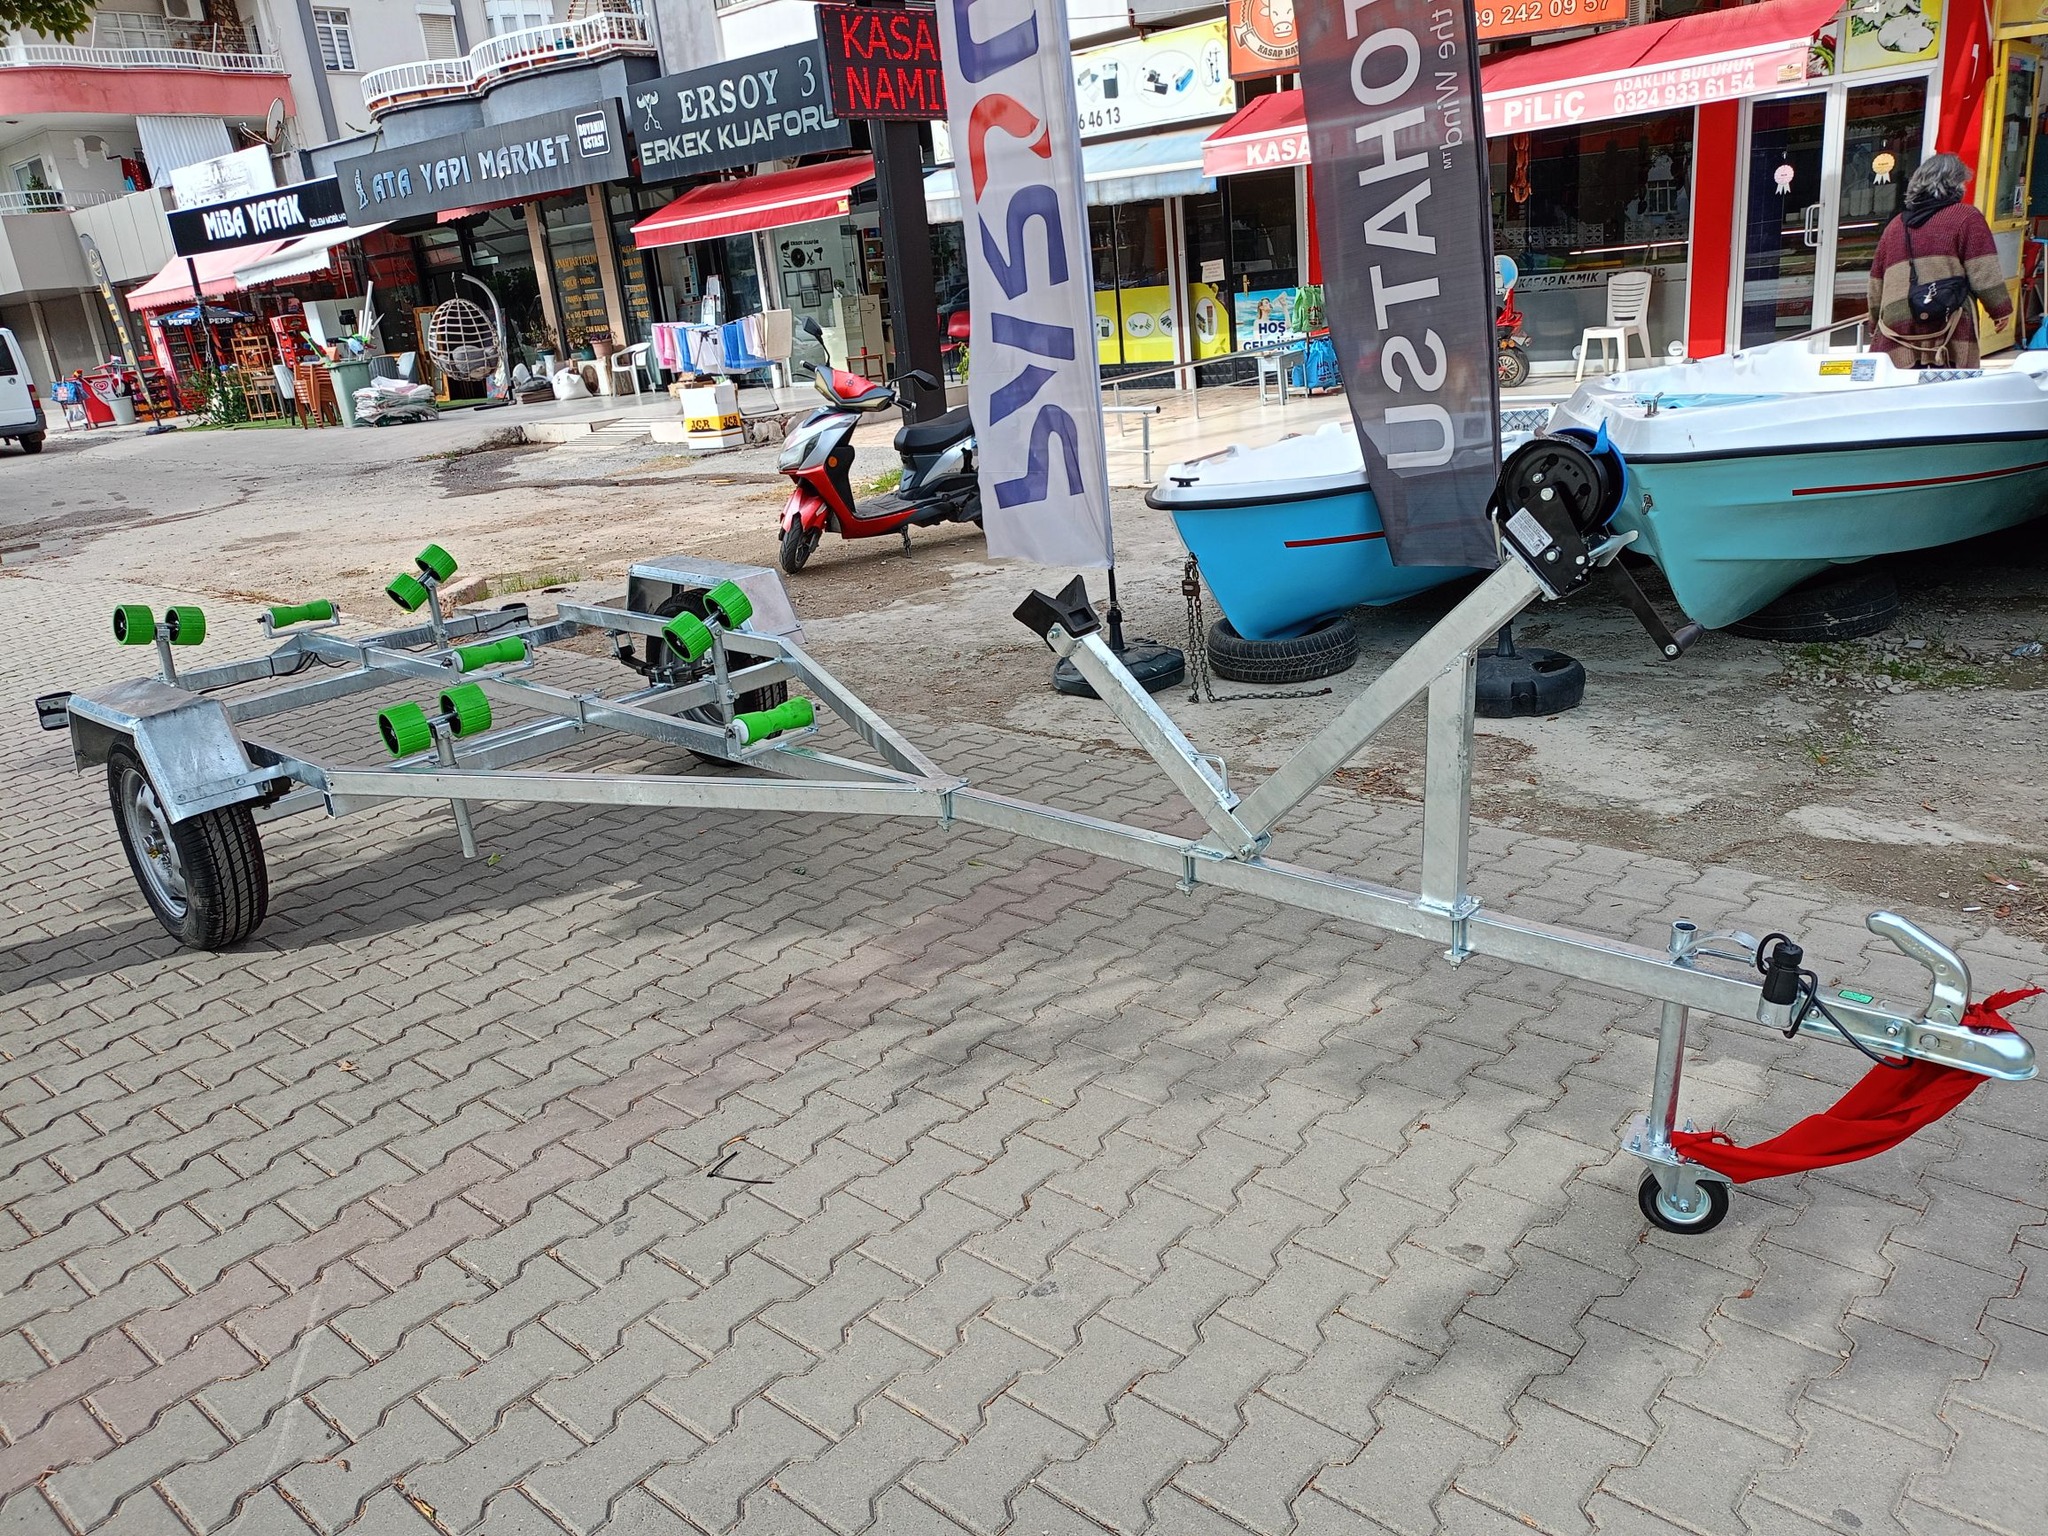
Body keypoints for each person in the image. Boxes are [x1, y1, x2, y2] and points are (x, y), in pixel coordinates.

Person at [1868, 153, 2012, 368]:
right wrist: (2000, 310)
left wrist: (1874, 325)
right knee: (1950, 385)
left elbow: (1876, 283)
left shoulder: (1894, 226)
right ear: (1956, 184)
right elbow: (1983, 270)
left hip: (1896, 326)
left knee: (1904, 386)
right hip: (1948, 321)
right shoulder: (1966, 217)